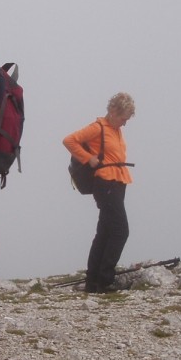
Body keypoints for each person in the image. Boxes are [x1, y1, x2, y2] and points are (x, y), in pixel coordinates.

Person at [63, 93, 136, 293]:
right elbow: (69, 140)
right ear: (113, 112)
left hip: (117, 182)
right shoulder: (98, 127)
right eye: (124, 118)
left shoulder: (115, 129)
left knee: (105, 232)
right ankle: (105, 280)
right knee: (121, 231)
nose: (125, 123)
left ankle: (93, 281)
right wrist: (88, 158)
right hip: (106, 183)